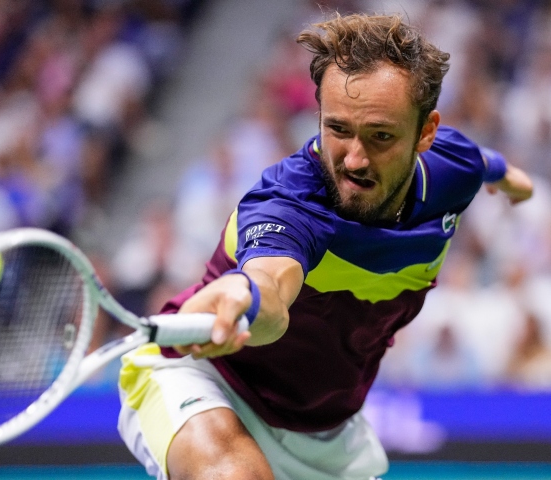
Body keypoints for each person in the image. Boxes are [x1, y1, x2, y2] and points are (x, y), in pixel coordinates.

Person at [117, 13, 534, 480]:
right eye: (337, 129)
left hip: (329, 433)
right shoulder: (287, 205)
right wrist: (246, 296)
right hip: (208, 380)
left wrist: (510, 178)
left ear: (425, 133)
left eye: (380, 136)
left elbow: (479, 161)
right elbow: (271, 287)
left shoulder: (453, 167)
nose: (354, 159)